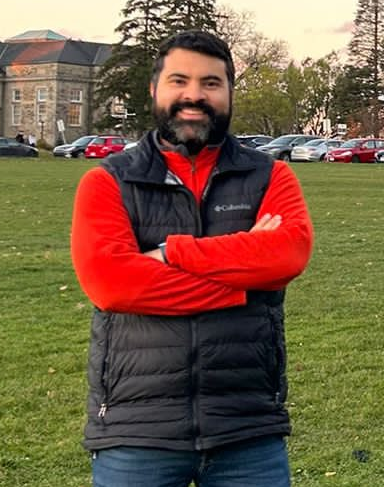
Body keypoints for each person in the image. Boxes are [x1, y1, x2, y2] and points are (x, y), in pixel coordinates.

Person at [71, 30, 314, 487]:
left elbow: (287, 254)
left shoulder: (271, 177)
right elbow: (112, 283)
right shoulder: (108, 183)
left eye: (211, 83)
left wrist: (169, 253)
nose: (194, 96)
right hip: (136, 431)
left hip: (247, 430)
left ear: (229, 92)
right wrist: (245, 279)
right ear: (155, 89)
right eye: (179, 80)